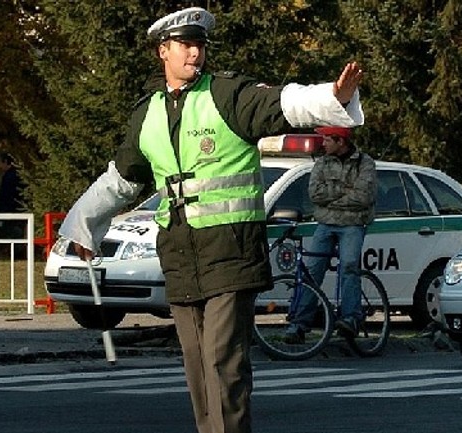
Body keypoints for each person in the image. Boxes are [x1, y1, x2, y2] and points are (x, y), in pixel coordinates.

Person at [57, 7, 364, 433]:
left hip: (232, 253)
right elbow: (122, 180)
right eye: (186, 45)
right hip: (181, 255)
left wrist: (334, 96)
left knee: (224, 360)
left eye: (200, 45)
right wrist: (82, 224)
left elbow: (282, 103)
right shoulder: (147, 113)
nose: (195, 53)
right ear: (163, 51)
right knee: (198, 366)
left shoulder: (227, 94)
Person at [283, 126, 377, 343]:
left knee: (349, 267)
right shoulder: (322, 163)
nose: (323, 143)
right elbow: (315, 194)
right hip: (325, 223)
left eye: (327, 140)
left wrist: (332, 197)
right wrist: (346, 190)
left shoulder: (365, 163)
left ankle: (350, 319)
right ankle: (299, 324)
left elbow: (364, 197)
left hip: (354, 223)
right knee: (312, 269)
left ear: (340, 141)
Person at [0, 152, 26, 238]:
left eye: (0, 162)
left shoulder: (9, 177)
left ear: (5, 161)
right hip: (19, 210)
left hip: (10, 211)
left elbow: (6, 196)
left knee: (11, 235)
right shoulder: (18, 175)